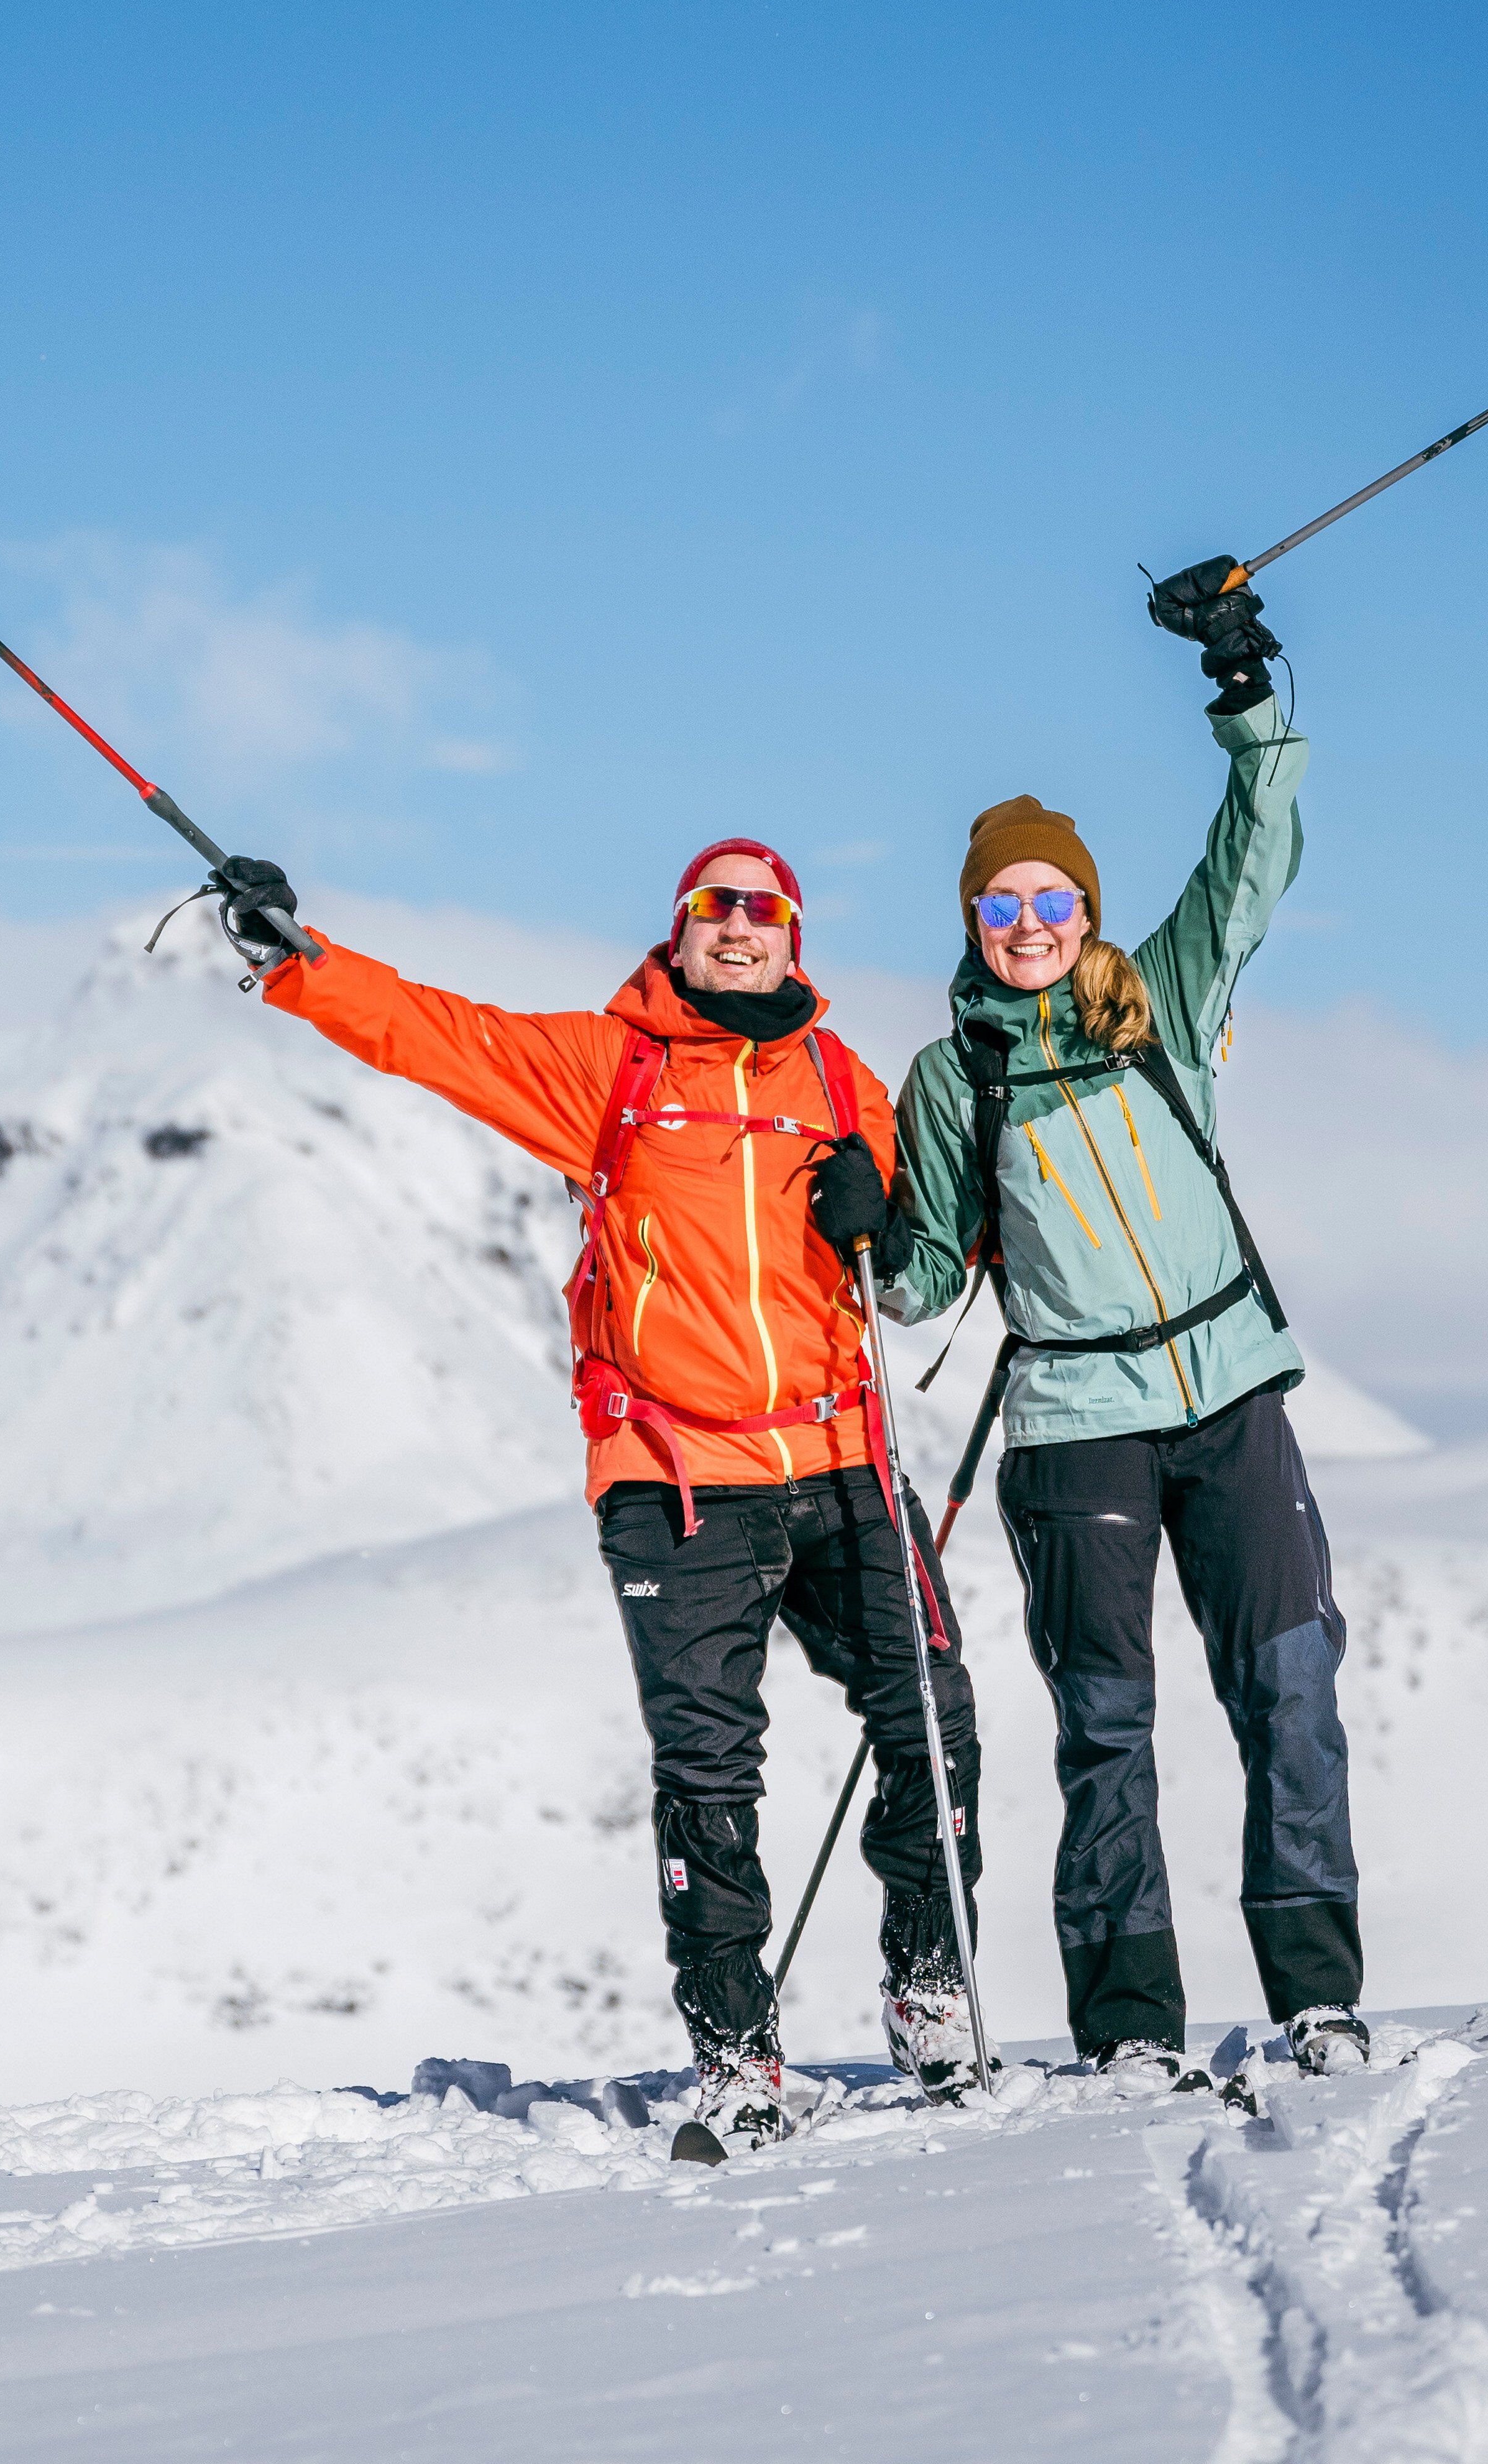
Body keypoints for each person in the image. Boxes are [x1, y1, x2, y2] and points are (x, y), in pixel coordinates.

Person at [206, 836, 986, 2134]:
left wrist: (885, 1209)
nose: (738, 928)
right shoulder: (609, 1064)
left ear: (796, 937)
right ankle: (738, 2054)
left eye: (764, 911)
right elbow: (437, 1035)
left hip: (844, 1456)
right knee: (710, 1768)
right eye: (713, 908)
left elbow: (930, 1252)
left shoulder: (847, 1086)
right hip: (677, 1478)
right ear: (680, 931)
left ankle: (930, 1988)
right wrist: (301, 959)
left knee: (934, 1715)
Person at [873, 561, 1369, 2086]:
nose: (1028, 921)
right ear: (973, 918)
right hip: (1074, 1427)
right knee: (1108, 1734)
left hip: (1230, 1392)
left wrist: (1242, 684)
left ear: (1085, 905)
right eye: (1001, 902)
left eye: (1051, 896)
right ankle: (1131, 2026)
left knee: (1287, 1689)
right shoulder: (955, 1072)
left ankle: (1315, 1997)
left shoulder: (1157, 991)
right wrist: (862, 1216)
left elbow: (1258, 844)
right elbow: (919, 1284)